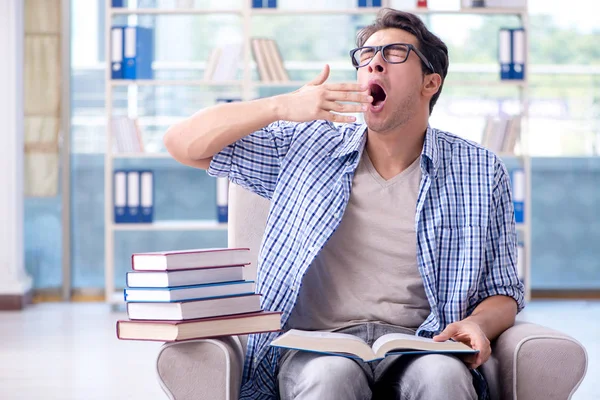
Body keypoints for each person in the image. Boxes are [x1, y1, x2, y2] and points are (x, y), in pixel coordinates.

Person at [163, 7, 525, 400]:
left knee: (443, 377)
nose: (374, 64)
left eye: (395, 53)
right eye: (366, 56)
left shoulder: (479, 169)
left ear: (430, 83)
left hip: (423, 343)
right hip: (317, 345)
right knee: (330, 378)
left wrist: (476, 323)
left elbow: (502, 290)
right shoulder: (306, 145)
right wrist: (281, 107)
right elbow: (181, 143)